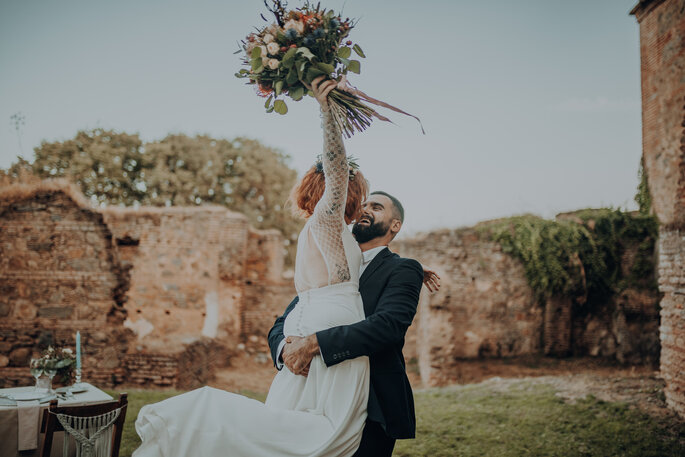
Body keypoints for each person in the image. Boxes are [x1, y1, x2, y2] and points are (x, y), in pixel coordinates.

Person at [133, 76, 384, 457]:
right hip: (328, 328)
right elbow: (336, 170)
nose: (361, 201)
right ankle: (203, 415)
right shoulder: (324, 221)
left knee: (293, 427)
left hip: (321, 323)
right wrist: (326, 110)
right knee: (319, 435)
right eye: (358, 191)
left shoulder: (335, 234)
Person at [268, 187, 435, 457]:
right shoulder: (331, 268)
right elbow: (287, 319)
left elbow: (388, 326)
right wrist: (284, 348)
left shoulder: (403, 269)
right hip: (312, 395)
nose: (366, 209)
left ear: (396, 225)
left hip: (372, 402)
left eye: (377, 207)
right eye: (365, 204)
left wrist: (313, 344)